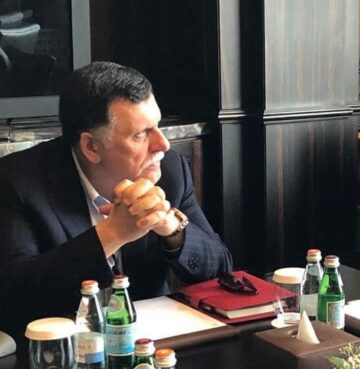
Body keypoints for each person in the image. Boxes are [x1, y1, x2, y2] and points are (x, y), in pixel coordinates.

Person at [0, 62, 232, 337]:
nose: (163, 144)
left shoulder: (170, 171)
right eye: (140, 134)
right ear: (91, 147)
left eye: (158, 125)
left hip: (154, 342)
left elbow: (222, 270)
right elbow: (14, 298)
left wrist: (171, 228)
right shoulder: (18, 181)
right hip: (65, 350)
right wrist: (112, 234)